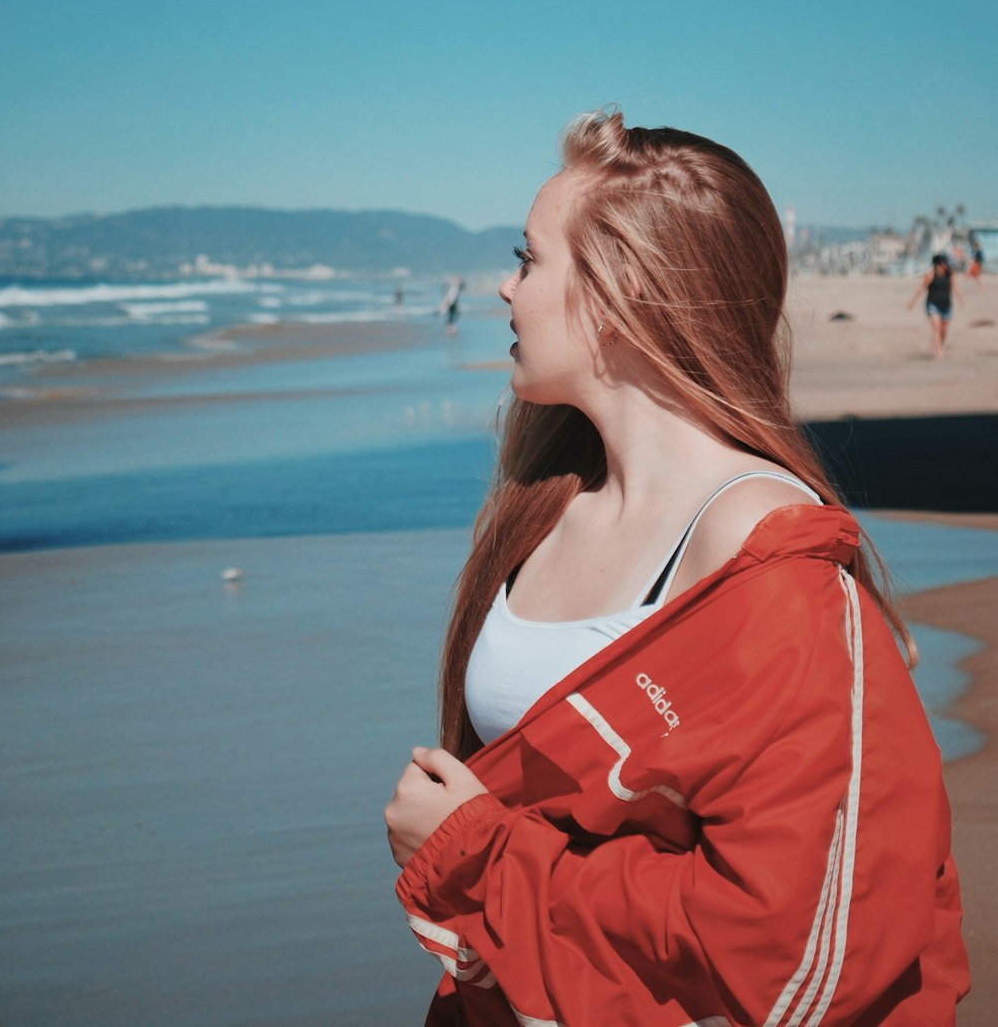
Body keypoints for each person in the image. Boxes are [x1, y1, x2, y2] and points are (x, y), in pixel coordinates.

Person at [386, 111, 968, 1026]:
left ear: (621, 297)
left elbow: (789, 944)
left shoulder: (766, 562)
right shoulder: (548, 502)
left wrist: (477, 856)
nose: (504, 287)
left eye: (529, 258)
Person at [908, 253, 962, 359]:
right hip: (933, 305)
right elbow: (922, 288)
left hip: (946, 306)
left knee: (943, 330)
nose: (947, 264)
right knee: (936, 329)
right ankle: (938, 352)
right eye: (945, 262)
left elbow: (954, 286)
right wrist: (912, 301)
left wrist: (960, 297)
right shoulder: (931, 275)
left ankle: (939, 345)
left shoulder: (950, 274)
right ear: (939, 264)